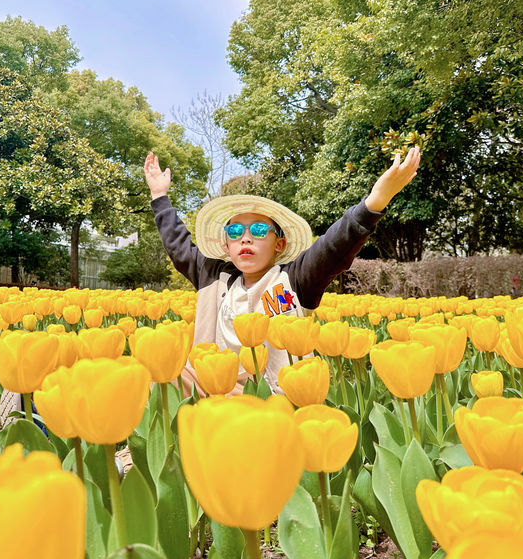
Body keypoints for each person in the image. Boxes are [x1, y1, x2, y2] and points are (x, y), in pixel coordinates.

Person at [144, 148, 420, 393]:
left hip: (276, 394)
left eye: (260, 229)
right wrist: (159, 197)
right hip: (216, 386)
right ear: (225, 245)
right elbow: (178, 245)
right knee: (160, 371)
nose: (246, 238)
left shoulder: (294, 279)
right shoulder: (212, 277)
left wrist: (374, 202)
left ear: (279, 244)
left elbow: (333, 247)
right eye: (236, 230)